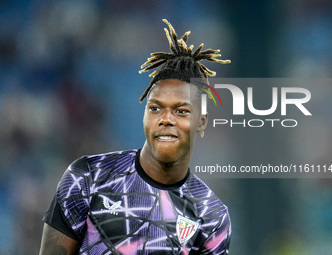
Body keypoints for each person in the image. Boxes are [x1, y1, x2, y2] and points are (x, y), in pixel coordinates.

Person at [39, 19, 232, 255]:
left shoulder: (211, 215)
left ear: (201, 121)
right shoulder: (87, 178)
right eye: (155, 108)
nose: (166, 119)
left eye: (181, 111)